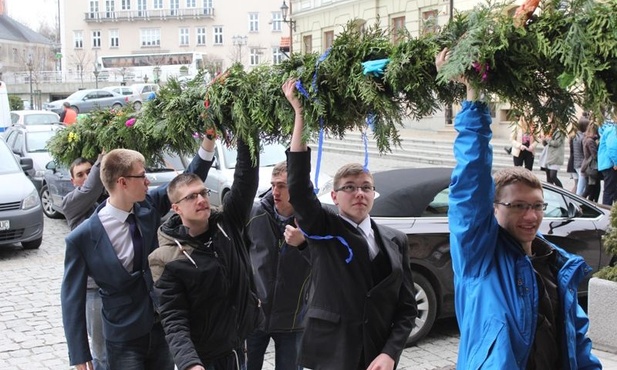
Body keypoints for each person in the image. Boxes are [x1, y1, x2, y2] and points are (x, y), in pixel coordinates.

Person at [440, 48, 601, 369]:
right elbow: (470, 184)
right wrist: (473, 97)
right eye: (517, 206)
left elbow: (577, 341)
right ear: (493, 207)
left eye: (538, 206)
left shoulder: (558, 266)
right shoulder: (479, 257)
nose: (531, 216)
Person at [283, 78, 417, 370]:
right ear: (334, 195)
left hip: (376, 357)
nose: (359, 193)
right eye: (350, 187)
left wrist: (390, 353)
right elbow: (299, 188)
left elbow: (407, 309)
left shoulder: (396, 240)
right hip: (332, 353)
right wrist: (300, 115)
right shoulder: (324, 227)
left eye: (366, 187)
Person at [61, 137, 215, 370]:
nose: (148, 180)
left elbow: (186, 180)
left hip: (161, 326)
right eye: (142, 176)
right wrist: (80, 354)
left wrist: (209, 141)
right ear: (122, 182)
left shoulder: (148, 206)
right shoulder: (82, 237)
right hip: (123, 336)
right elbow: (71, 298)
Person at [148, 135, 263, 370]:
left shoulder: (227, 223)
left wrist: (245, 130)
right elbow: (173, 319)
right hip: (205, 359)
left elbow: (245, 179)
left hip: (238, 347)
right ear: (176, 208)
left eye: (203, 193)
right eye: (191, 197)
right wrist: (190, 363)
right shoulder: (166, 259)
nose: (201, 200)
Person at [245, 161, 311, 370]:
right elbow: (238, 255)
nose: (275, 191)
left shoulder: (314, 220)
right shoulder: (255, 213)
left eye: (282, 185)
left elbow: (326, 264)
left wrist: (305, 243)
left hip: (294, 320)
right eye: (273, 185)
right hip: (256, 316)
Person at [538, 117, 565, 187]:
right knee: (548, 177)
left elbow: (557, 143)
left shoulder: (560, 132)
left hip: (555, 157)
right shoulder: (549, 131)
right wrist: (543, 139)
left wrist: (547, 139)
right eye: (551, 123)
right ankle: (551, 194)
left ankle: (561, 191)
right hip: (548, 156)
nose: (552, 125)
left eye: (554, 123)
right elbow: (545, 144)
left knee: (553, 176)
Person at [598, 109, 617, 205]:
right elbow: (612, 148)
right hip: (610, 165)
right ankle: (607, 213)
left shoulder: (609, 128)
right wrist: (616, 162)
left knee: (611, 191)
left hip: (607, 163)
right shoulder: (613, 130)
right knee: (609, 192)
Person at [582, 122, 601, 202]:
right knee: (591, 188)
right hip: (591, 167)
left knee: (593, 188)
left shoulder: (586, 139)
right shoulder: (590, 141)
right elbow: (594, 155)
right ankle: (582, 202)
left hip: (588, 166)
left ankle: (589, 203)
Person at [572, 114, 589, 196]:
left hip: (577, 162)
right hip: (582, 163)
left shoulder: (576, 136)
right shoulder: (583, 138)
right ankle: (578, 201)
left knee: (580, 183)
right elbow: (585, 152)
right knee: (581, 186)